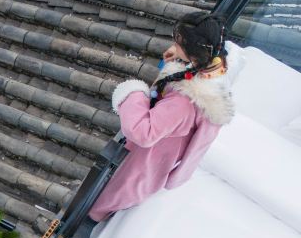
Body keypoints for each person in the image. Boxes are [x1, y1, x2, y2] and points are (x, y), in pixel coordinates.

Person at [87, 11, 235, 224]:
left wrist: (132, 92)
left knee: (96, 206)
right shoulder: (213, 71)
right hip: (154, 164)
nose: (174, 43)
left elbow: (142, 132)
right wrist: (177, 60)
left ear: (194, 53)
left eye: (179, 41)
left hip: (139, 166)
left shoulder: (185, 101)